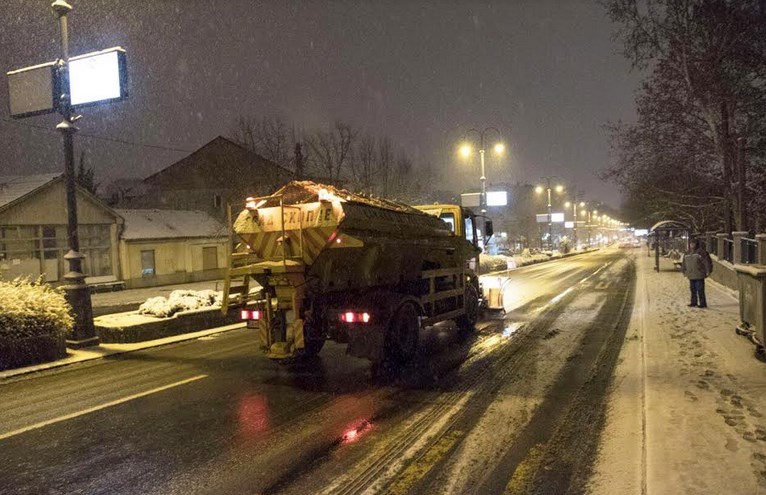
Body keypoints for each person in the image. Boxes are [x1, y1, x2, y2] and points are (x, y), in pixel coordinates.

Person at [681, 239, 711, 308]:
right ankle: (693, 302)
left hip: (699, 274)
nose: (692, 245)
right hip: (691, 274)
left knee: (700, 289)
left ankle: (702, 303)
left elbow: (706, 262)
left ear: (696, 244)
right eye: (691, 243)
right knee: (692, 289)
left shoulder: (701, 252)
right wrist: (683, 270)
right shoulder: (687, 253)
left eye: (693, 243)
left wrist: (707, 271)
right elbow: (684, 262)